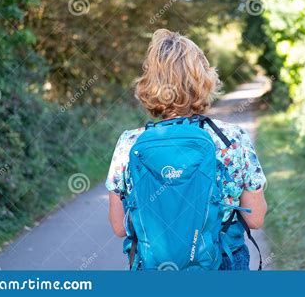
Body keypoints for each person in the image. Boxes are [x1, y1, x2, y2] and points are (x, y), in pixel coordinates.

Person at [105, 29, 267, 270]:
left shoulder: (129, 143)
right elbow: (255, 219)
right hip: (221, 263)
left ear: (150, 83)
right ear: (203, 80)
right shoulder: (231, 138)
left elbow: (120, 227)